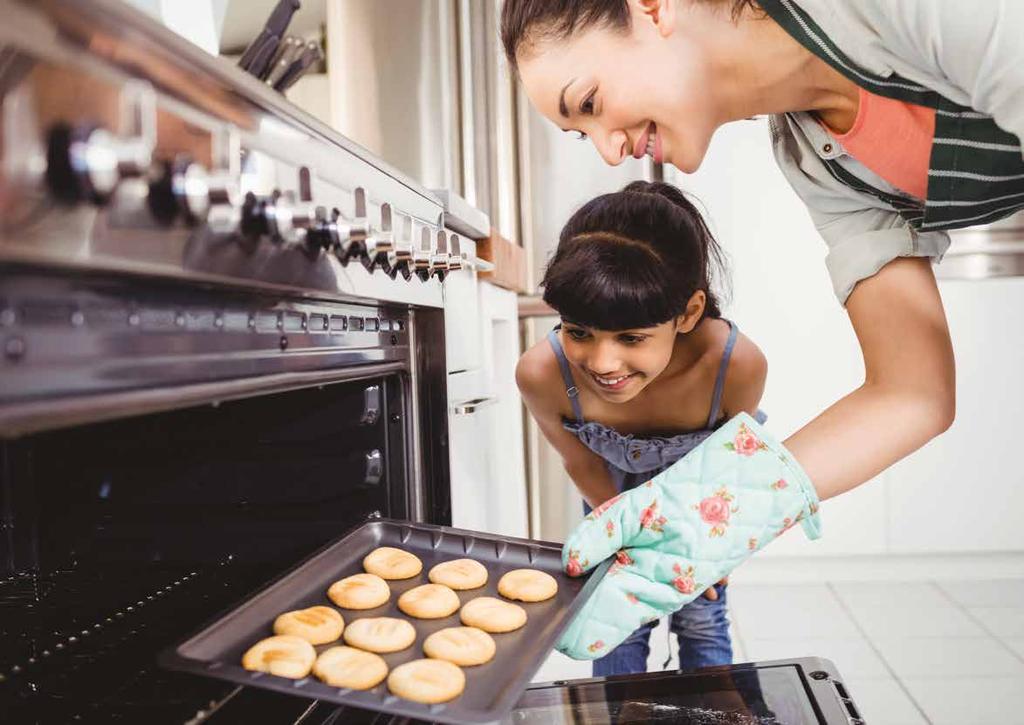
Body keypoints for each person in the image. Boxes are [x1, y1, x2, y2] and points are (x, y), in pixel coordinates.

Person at [500, 0, 1024, 660]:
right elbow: (913, 392)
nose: (610, 150)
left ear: (653, 8)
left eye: (592, 101)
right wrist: (718, 512)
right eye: (582, 134)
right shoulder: (817, 159)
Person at [517, 180, 766, 674]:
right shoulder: (542, 373)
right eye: (579, 331)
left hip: (701, 505)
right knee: (612, 623)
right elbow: (580, 460)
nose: (602, 362)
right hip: (610, 498)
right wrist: (623, 541)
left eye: (632, 337)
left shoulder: (734, 365)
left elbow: (731, 467)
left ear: (688, 313)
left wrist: (706, 549)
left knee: (701, 617)